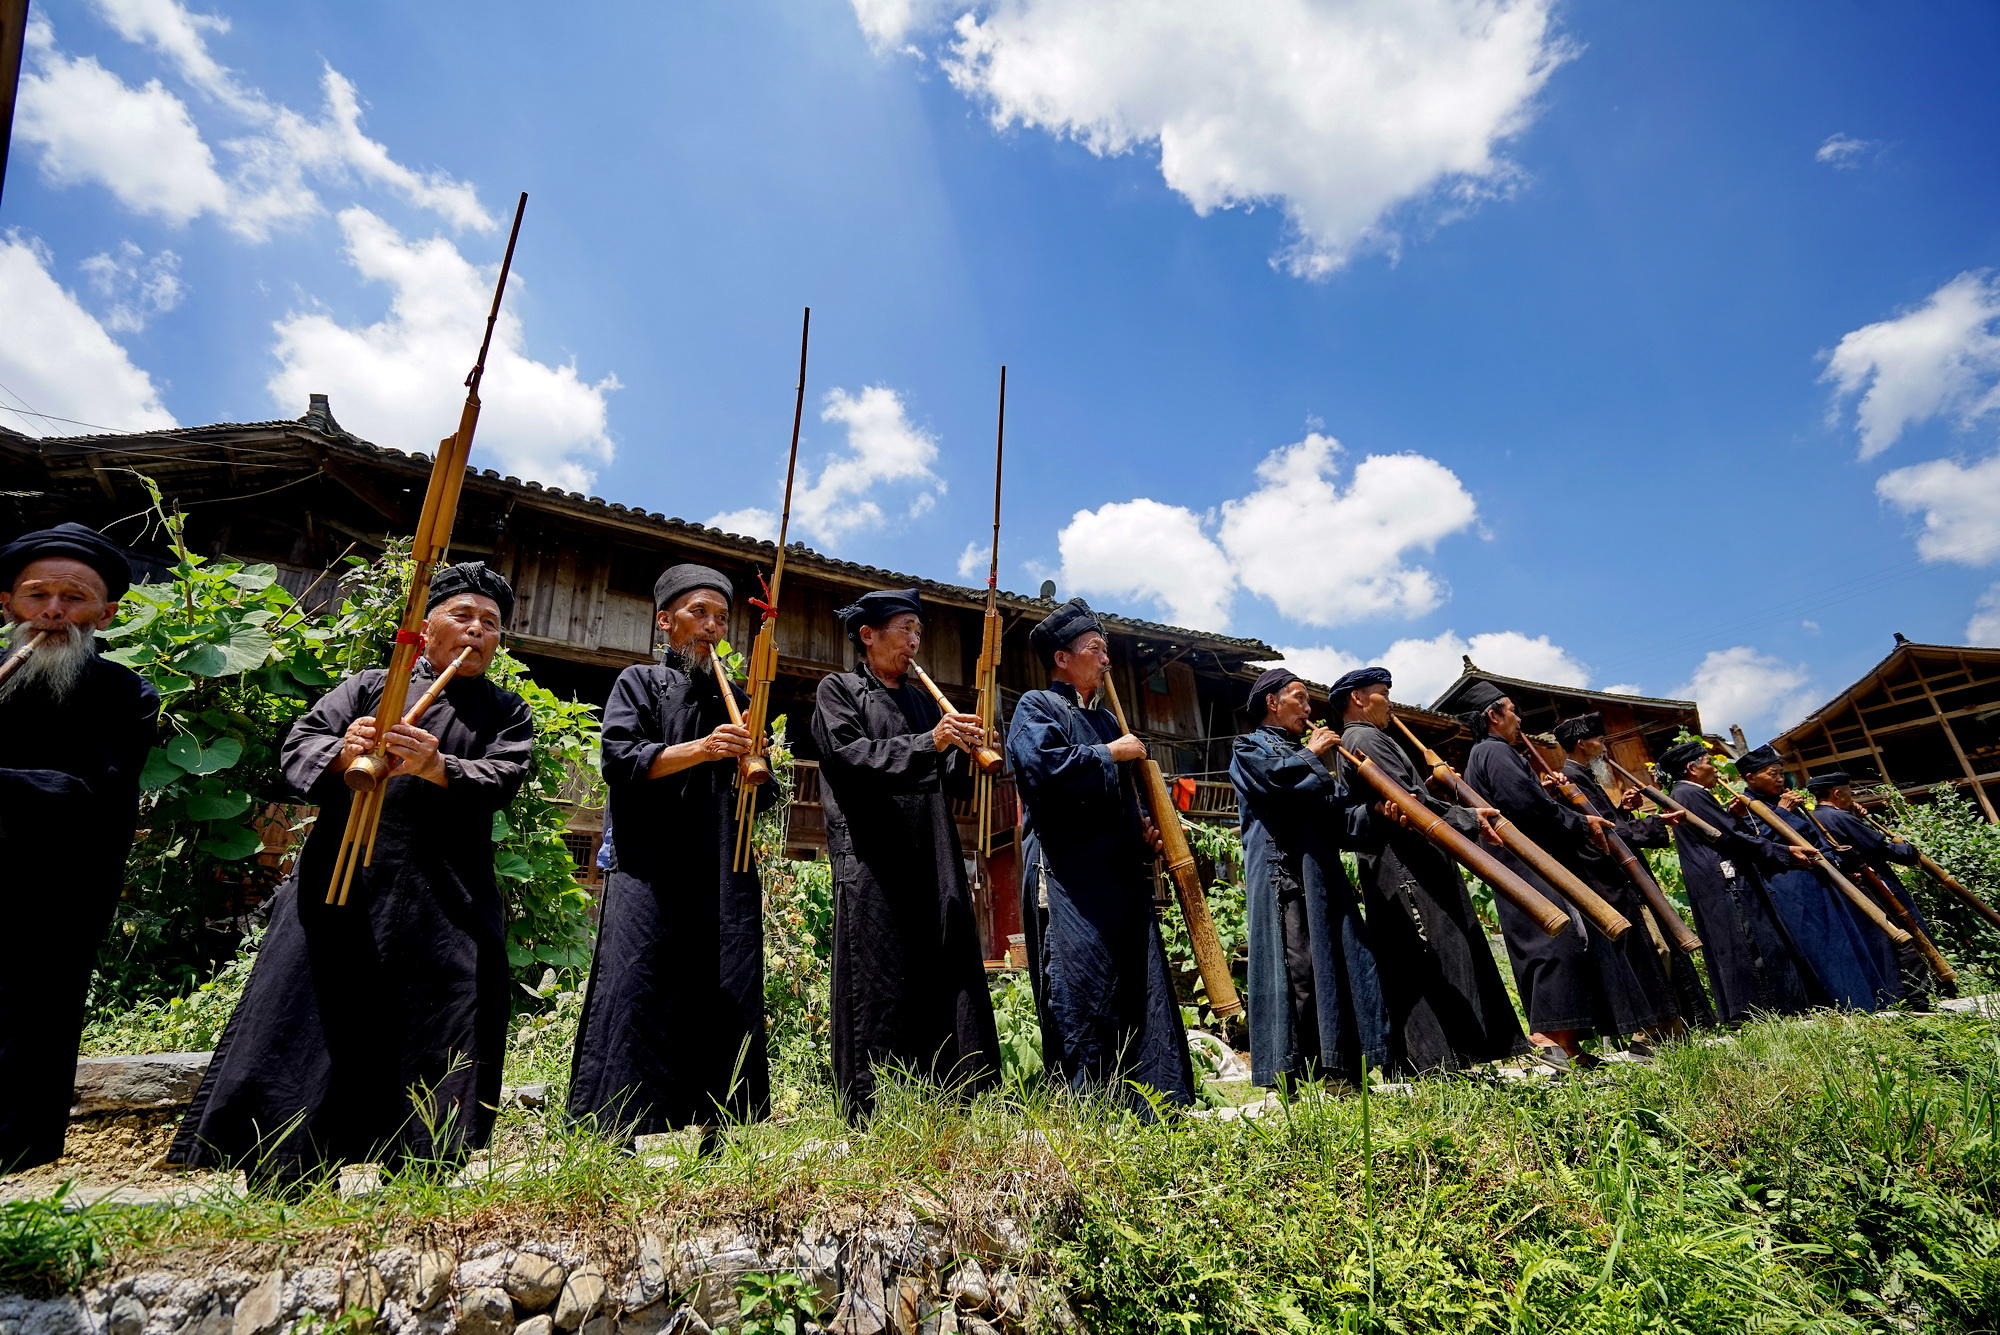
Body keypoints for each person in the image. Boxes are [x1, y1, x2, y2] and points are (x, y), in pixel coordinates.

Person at [170, 563, 531, 1185]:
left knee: (438, 1022)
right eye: (463, 616)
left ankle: (418, 1171)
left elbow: (505, 775)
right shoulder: (371, 688)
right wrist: (346, 751)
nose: (477, 630)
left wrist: (438, 767)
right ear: (426, 626)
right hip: (344, 882)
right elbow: (298, 747)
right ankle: (285, 1168)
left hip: (446, 895)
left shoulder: (504, 711)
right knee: (313, 1012)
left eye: (490, 624)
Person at [567, 564, 774, 1142]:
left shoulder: (732, 696)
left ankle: (719, 1121)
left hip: (718, 863)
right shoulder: (638, 681)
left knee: (722, 978)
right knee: (639, 977)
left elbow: (764, 790)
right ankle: (619, 1126)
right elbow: (621, 759)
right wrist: (704, 748)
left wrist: (752, 755)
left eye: (721, 618)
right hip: (651, 860)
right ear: (666, 621)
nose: (712, 627)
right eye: (698, 613)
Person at [0, 524, 159, 1172]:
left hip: (55, 897)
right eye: (38, 595)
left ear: (106, 612)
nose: (55, 610)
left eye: (75, 597)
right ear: (8, 602)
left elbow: (89, 795)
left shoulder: (124, 694)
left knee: (26, 1038)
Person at [810, 589, 1001, 1120]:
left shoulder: (922, 700)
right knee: (875, 969)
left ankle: (953, 1095)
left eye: (919, 631)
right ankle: (872, 1106)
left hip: (930, 850)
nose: (915, 641)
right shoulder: (838, 691)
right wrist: (931, 743)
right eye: (904, 629)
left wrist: (965, 747)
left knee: (941, 959)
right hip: (872, 851)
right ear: (867, 635)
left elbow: (947, 781)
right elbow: (850, 757)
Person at [1004, 598, 1195, 1114]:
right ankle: (1088, 1107)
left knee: (1136, 978)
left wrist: (1144, 834)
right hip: (1068, 874)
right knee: (1081, 981)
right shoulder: (1037, 707)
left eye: (1107, 650)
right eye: (1095, 649)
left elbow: (1125, 800)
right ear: (1063, 658)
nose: (1105, 659)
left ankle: (1153, 1104)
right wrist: (1110, 753)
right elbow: (1041, 769)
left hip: (1120, 874)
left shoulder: (1111, 721)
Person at [1459, 683, 1674, 1067]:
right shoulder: (1493, 751)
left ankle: (1569, 1043)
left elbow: (1528, 799)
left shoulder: (1488, 754)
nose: (1519, 718)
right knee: (1553, 946)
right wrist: (1578, 821)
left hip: (1528, 862)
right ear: (1494, 716)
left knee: (1566, 943)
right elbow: (1524, 805)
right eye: (1512, 710)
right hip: (1526, 862)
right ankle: (1548, 1037)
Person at [1334, 667, 1528, 1075]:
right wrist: (1470, 819)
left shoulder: (1366, 739)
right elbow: (1410, 803)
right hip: (1405, 864)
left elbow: (1411, 796)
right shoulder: (1364, 738)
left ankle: (1446, 1060)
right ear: (1359, 698)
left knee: (1433, 953)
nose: (1389, 701)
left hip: (1407, 860)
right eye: (1383, 693)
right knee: (1430, 955)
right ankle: (1440, 1063)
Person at [1229, 668, 1388, 1087]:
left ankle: (1340, 1069)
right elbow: (1273, 784)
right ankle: (1294, 1074)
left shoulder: (1308, 754)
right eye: (1299, 698)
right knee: (1298, 967)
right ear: (1272, 703)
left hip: (1321, 871)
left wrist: (1375, 811)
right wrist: (1312, 754)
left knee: (1341, 957)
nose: (1308, 708)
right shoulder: (1247, 747)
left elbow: (1337, 816)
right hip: (1283, 873)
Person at [1553, 713, 1713, 1031]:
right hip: (1612, 880)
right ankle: (1655, 1027)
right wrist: (1657, 822)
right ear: (1582, 744)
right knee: (1651, 949)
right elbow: (1605, 832)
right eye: (1598, 740)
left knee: (1657, 948)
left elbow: (1611, 821)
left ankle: (1671, 1023)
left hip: (1621, 876)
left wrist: (1625, 810)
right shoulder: (1572, 779)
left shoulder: (1582, 775)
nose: (1603, 745)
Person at [1656, 740, 1821, 1023]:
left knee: (1735, 943)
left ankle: (1753, 1011)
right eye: (1708, 761)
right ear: (1692, 769)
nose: (1713, 768)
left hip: (1714, 879)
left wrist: (1732, 817)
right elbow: (1730, 838)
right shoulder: (1690, 794)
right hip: (1725, 879)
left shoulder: (1686, 794)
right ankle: (1762, 1012)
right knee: (1748, 942)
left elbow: (1722, 830)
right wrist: (1784, 852)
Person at [1735, 747, 1896, 1010]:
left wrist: (1839, 861)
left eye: (1781, 774)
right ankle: (1845, 1006)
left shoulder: (1783, 799)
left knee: (1846, 939)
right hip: (1791, 887)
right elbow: (1763, 845)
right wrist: (1783, 812)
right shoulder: (1745, 807)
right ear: (1751, 777)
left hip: (1823, 879)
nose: (1779, 779)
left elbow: (1815, 837)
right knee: (1822, 945)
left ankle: (1872, 1001)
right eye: (1772, 774)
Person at [1807, 771, 1936, 1001]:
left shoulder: (1815, 818)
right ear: (1838, 793)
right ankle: (1919, 996)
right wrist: (1908, 851)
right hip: (1877, 884)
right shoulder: (1840, 818)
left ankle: (1900, 994)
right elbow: (1880, 848)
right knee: (1905, 935)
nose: (1853, 796)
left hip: (1853, 889)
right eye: (1850, 792)